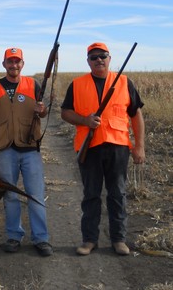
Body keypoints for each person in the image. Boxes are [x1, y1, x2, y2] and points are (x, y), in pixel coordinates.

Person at [61, 42, 145, 256]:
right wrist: (84, 120)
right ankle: (89, 240)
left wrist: (139, 147)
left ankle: (119, 239)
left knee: (117, 194)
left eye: (103, 56)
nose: (99, 60)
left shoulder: (125, 82)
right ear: (88, 61)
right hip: (90, 148)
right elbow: (65, 113)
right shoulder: (77, 84)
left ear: (109, 58)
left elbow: (136, 115)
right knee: (91, 195)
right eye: (94, 57)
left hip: (118, 147)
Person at [0, 47, 53, 257]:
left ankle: (41, 238)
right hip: (5, 150)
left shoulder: (33, 84)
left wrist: (43, 110)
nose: (14, 65)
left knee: (35, 194)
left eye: (17, 62)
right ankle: (14, 235)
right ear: (4, 64)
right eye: (10, 62)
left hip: (30, 149)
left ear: (22, 64)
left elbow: (43, 110)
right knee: (10, 194)